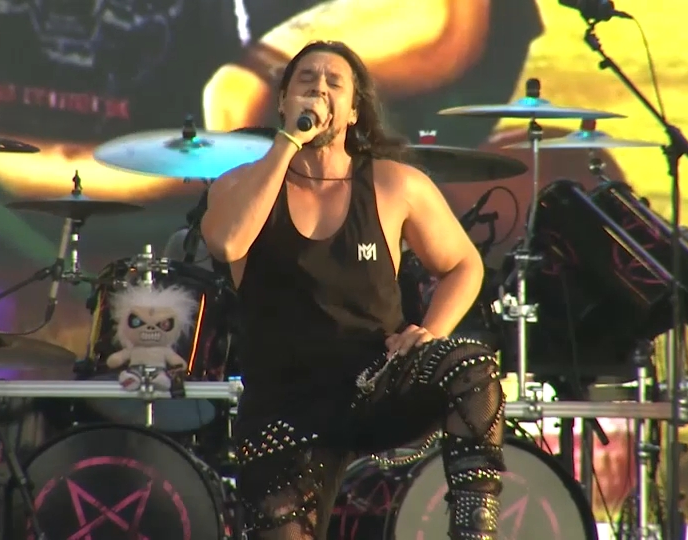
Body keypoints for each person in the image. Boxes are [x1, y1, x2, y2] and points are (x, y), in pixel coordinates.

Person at [201, 41, 506, 540]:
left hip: (376, 381)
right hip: (284, 404)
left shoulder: (395, 184)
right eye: (306, 80)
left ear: (353, 111)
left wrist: (430, 330)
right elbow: (228, 241)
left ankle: (474, 531)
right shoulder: (239, 185)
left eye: (334, 83)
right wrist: (287, 142)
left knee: (470, 364)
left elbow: (463, 265)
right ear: (283, 102)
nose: (319, 89)